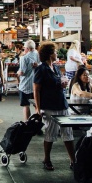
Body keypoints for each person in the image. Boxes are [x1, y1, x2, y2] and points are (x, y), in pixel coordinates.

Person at [33, 42, 76, 171]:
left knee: (68, 133)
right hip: (49, 106)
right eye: (55, 52)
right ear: (49, 54)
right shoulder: (41, 69)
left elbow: (58, 82)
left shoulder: (56, 68)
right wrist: (37, 108)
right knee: (50, 134)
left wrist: (63, 84)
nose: (57, 53)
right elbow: (36, 89)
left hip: (61, 103)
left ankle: (73, 160)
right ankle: (47, 159)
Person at [17, 40, 38, 121]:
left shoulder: (24, 58)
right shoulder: (39, 55)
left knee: (26, 105)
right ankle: (37, 124)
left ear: (28, 48)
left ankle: (27, 124)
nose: (24, 50)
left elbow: (22, 72)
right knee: (37, 105)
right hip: (37, 84)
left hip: (25, 85)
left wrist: (18, 72)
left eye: (24, 48)